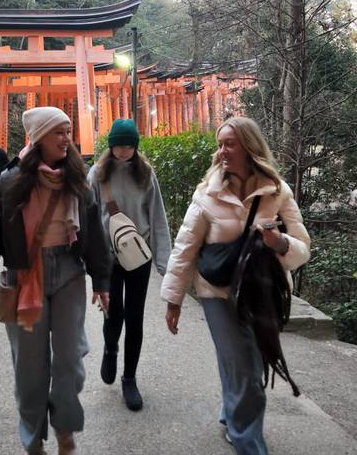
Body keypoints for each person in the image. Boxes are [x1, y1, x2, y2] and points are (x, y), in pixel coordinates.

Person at [0, 107, 112, 455]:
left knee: (70, 360)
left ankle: (65, 427)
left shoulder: (78, 178)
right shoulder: (11, 182)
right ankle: (32, 439)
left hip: (69, 272)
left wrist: (102, 281)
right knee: (30, 368)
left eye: (68, 131)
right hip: (23, 275)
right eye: (58, 132)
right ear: (39, 136)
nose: (66, 138)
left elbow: (93, 233)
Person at [161, 116, 311, 454]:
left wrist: (279, 243)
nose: (222, 151)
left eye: (229, 143)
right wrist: (174, 300)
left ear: (249, 146)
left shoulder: (277, 191)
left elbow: (302, 248)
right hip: (217, 293)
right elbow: (185, 247)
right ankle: (249, 443)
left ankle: (232, 416)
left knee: (247, 364)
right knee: (243, 367)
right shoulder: (207, 193)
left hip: (260, 293)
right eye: (220, 144)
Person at [88, 118, 171, 411]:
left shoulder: (145, 174)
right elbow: (87, 219)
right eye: (118, 145)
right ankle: (110, 350)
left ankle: (129, 378)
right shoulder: (97, 174)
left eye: (129, 145)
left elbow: (157, 216)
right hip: (109, 258)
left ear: (136, 146)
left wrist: (164, 262)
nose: (123, 151)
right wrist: (90, 261)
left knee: (135, 317)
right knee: (114, 314)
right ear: (110, 146)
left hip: (138, 256)